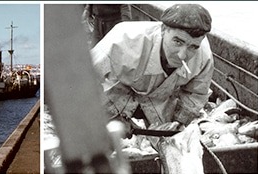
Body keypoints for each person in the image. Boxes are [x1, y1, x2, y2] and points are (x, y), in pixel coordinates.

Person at [90, 4, 214, 173]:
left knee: (173, 147)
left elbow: (196, 93)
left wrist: (179, 121)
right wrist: (111, 117)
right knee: (98, 145)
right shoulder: (122, 41)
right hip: (117, 93)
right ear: (163, 29)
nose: (183, 55)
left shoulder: (204, 56)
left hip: (160, 97)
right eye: (178, 42)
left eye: (193, 46)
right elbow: (84, 84)